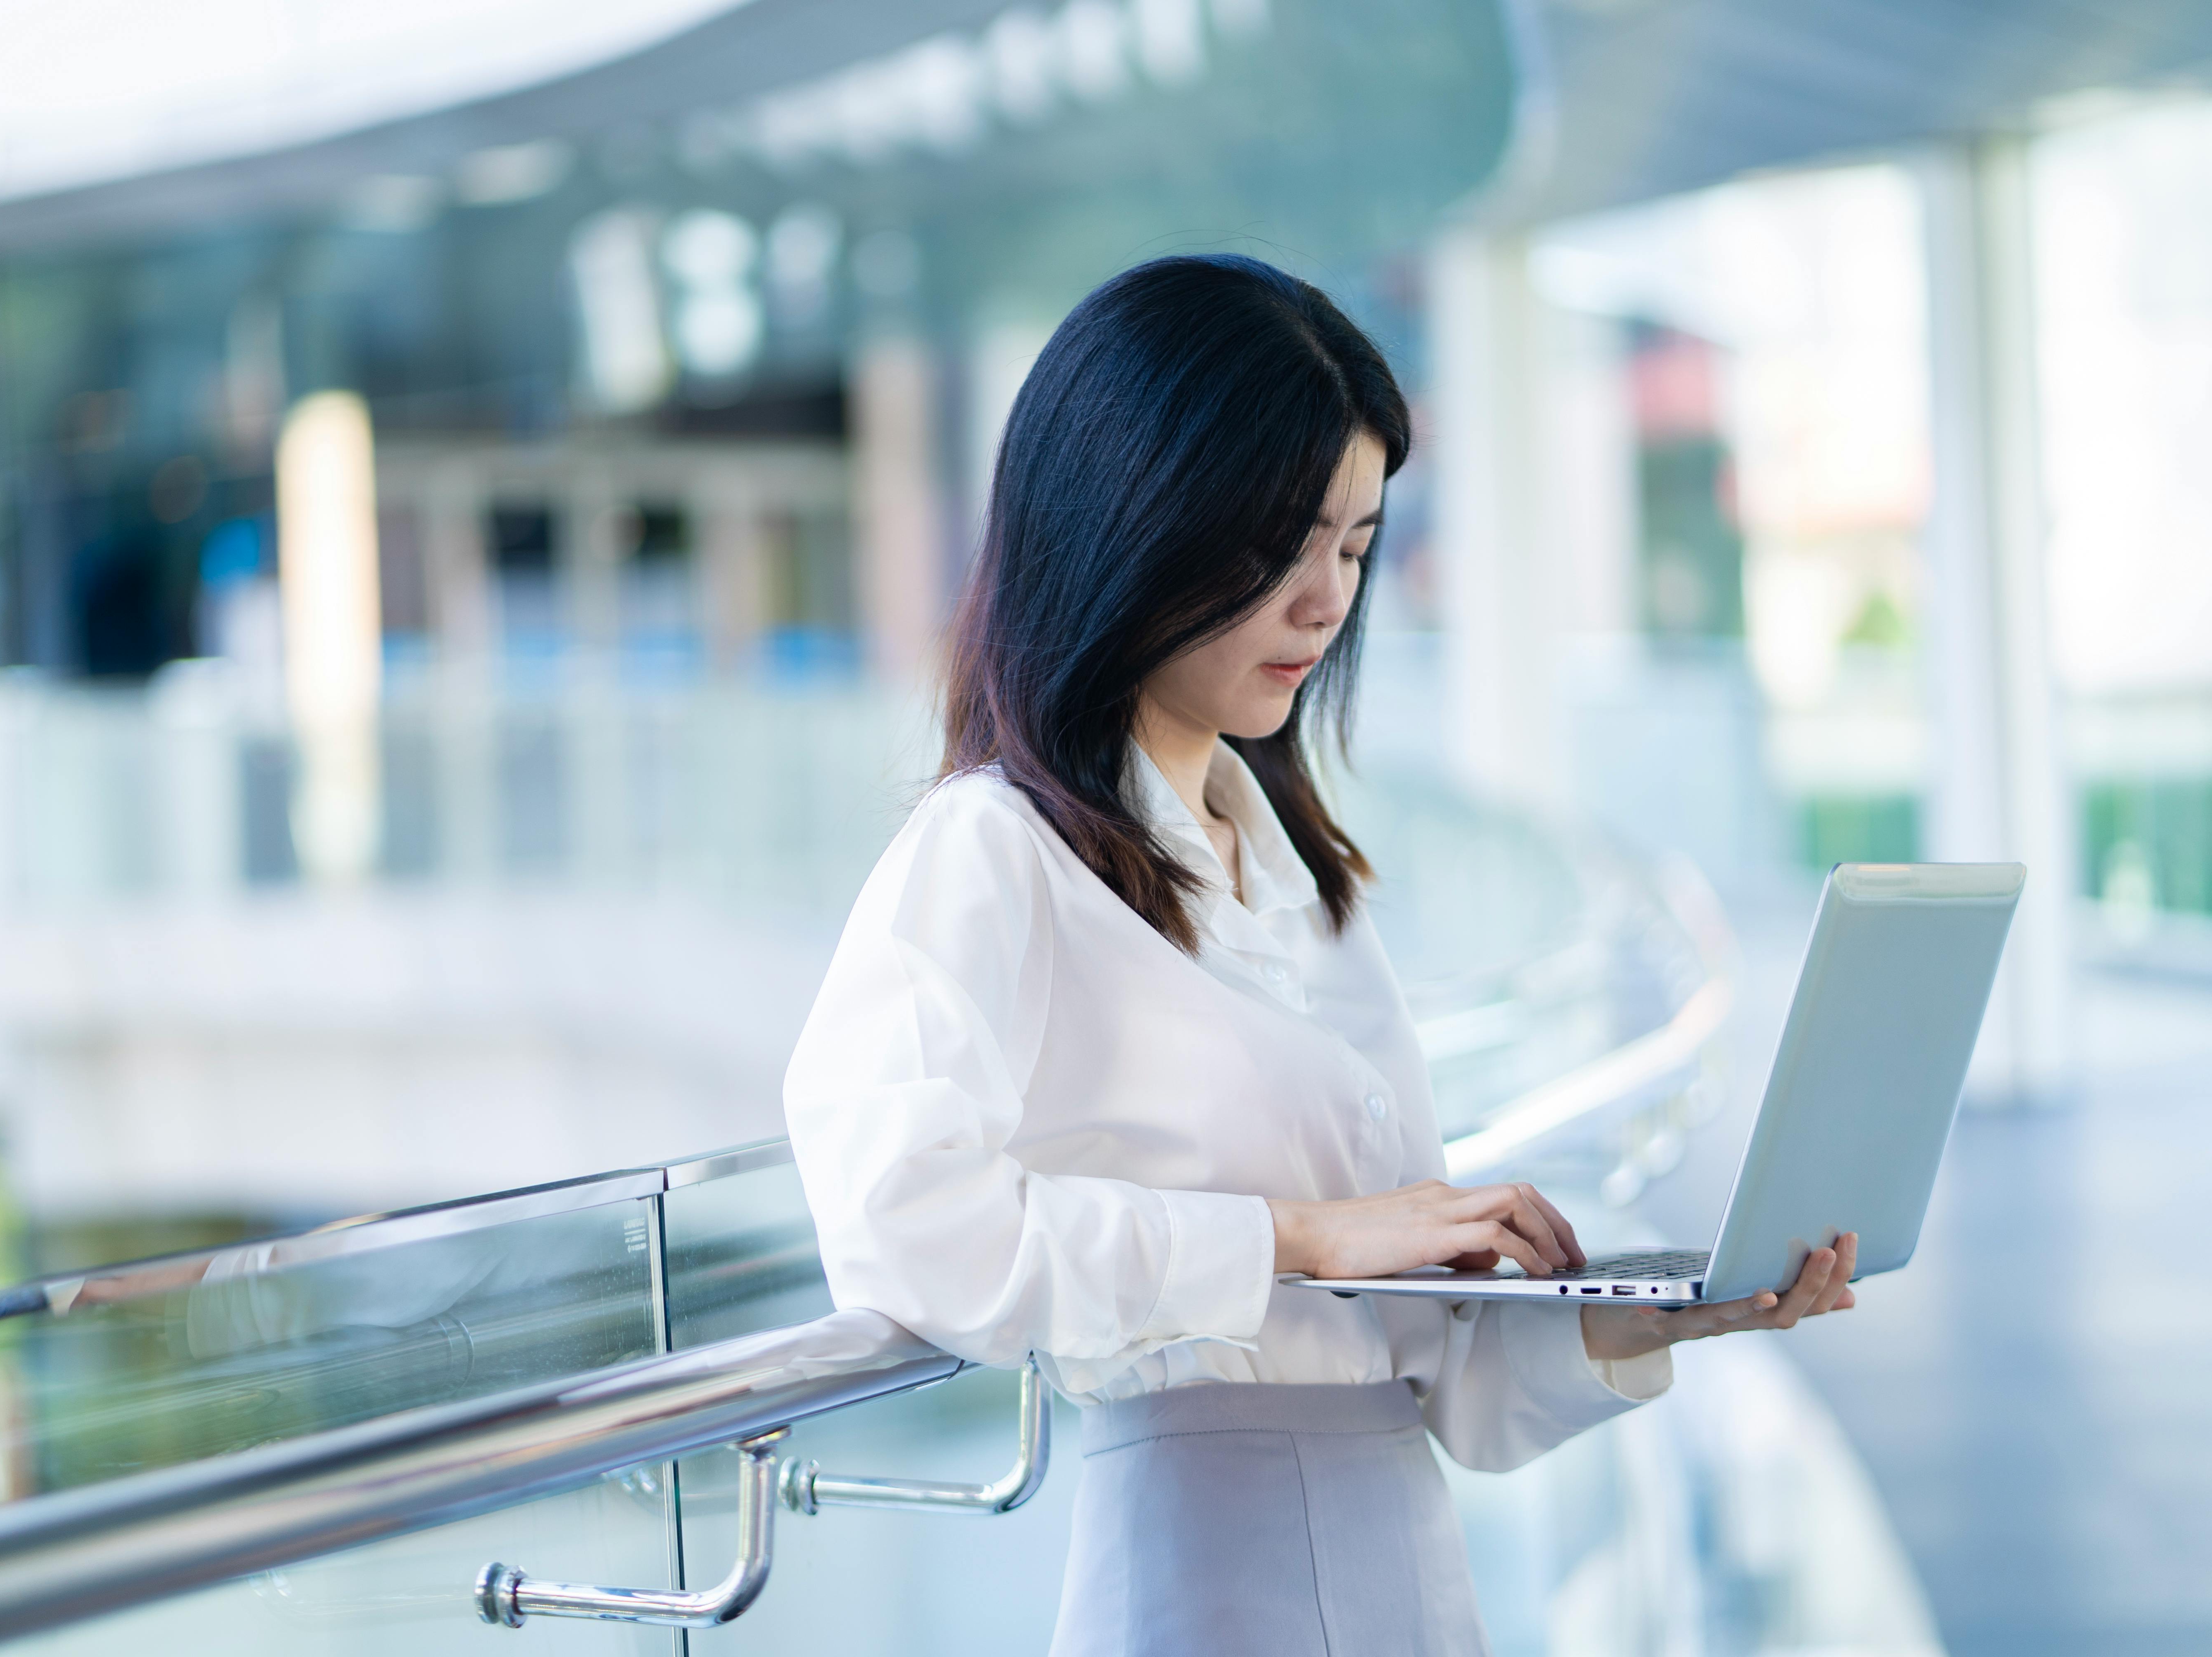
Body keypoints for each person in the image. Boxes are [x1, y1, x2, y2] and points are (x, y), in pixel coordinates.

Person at [782, 255, 1857, 1656]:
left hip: (1406, 1567)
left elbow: (1437, 1377)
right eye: (1281, 546)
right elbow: (896, 1224)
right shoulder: (993, 854)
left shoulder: (1308, 883)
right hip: (1201, 1573)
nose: (1325, 601)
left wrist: (1675, 1316)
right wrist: (1293, 1240)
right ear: (1128, 519)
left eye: (1353, 547)